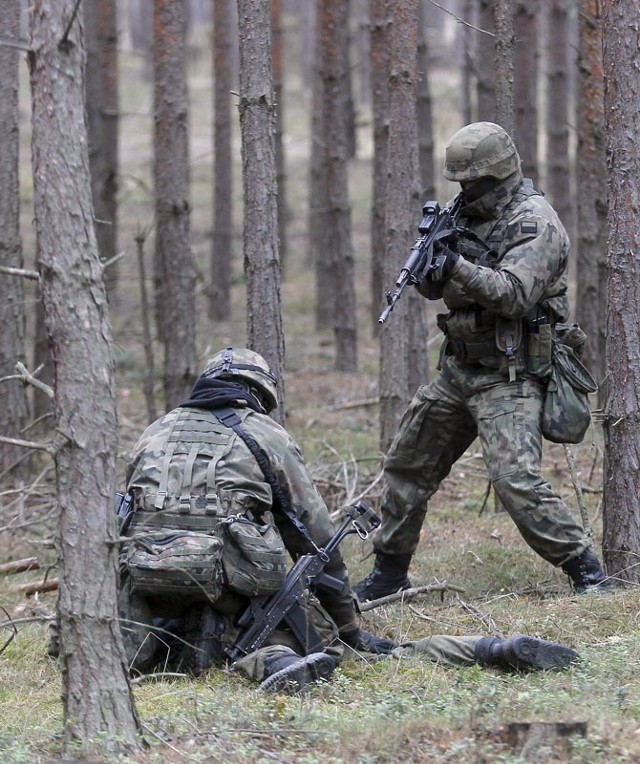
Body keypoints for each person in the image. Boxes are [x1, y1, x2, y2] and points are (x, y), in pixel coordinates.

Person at [116, 346, 579, 693]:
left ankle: (171, 653)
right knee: (337, 651)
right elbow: (317, 539)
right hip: (237, 594)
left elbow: (119, 523)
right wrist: (347, 627)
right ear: (258, 393)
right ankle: (489, 649)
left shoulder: (153, 432)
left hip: (151, 597)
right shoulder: (264, 434)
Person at [354, 122, 612, 604]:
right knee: (408, 463)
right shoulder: (464, 215)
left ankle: (587, 572)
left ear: (502, 173)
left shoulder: (534, 222)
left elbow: (514, 295)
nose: (468, 191)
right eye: (462, 183)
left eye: (476, 182)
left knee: (516, 480)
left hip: (510, 373)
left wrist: (455, 266)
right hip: (459, 369)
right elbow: (446, 291)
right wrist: (434, 270)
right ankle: (389, 574)